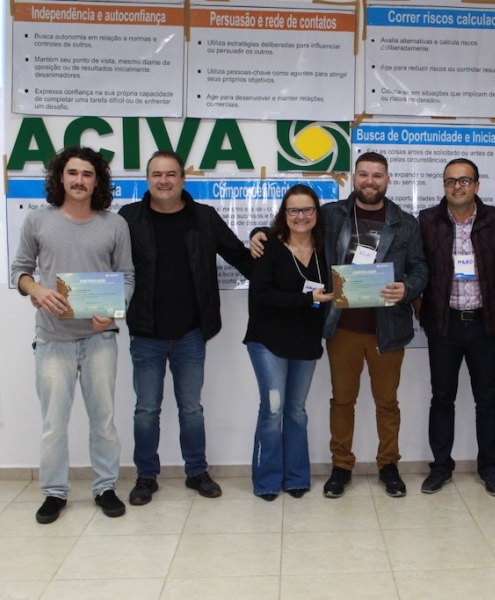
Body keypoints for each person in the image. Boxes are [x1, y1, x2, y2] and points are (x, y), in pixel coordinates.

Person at [251, 152, 428, 498]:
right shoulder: (332, 215)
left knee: (387, 403)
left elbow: (420, 267)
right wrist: (259, 233)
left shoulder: (406, 223)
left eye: (377, 175)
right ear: (354, 177)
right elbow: (293, 226)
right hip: (342, 326)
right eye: (363, 174)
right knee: (342, 402)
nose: (370, 181)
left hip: (388, 328)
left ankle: (388, 466)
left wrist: (408, 288)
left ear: (388, 180)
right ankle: (341, 466)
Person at [119, 150, 253, 505]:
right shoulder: (128, 217)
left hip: (191, 333)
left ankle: (196, 472)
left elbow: (240, 256)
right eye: (157, 175)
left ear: (182, 179)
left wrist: (279, 280)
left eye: (171, 174)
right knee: (146, 410)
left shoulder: (204, 217)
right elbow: (107, 263)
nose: (164, 181)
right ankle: (146, 476)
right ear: (147, 179)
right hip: (145, 333)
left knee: (191, 408)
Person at [11, 146, 134, 524]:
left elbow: (128, 277)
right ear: (60, 177)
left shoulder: (115, 225)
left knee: (104, 421)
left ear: (97, 182)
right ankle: (54, 492)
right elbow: (19, 272)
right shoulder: (38, 220)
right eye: (73, 173)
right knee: (53, 425)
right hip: (52, 340)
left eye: (87, 174)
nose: (79, 180)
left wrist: (114, 310)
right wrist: (36, 289)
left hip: (100, 339)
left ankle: (105, 487)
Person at [417, 158, 495, 496]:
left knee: (487, 399)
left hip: (483, 323)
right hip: (443, 324)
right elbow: (414, 265)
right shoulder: (427, 221)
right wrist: (419, 308)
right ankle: (440, 467)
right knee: (441, 398)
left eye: (464, 180)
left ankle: (489, 468)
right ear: (443, 186)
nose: (457, 186)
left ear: (477, 185)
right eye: (450, 181)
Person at [244, 185, 334, 501]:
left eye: (307, 209)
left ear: (316, 213)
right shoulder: (268, 246)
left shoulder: (325, 249)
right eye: (293, 210)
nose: (300, 216)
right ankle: (267, 481)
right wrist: (306, 299)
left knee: (296, 410)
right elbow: (261, 295)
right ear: (284, 213)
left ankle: (296, 477)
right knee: (273, 409)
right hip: (268, 341)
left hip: (306, 341)